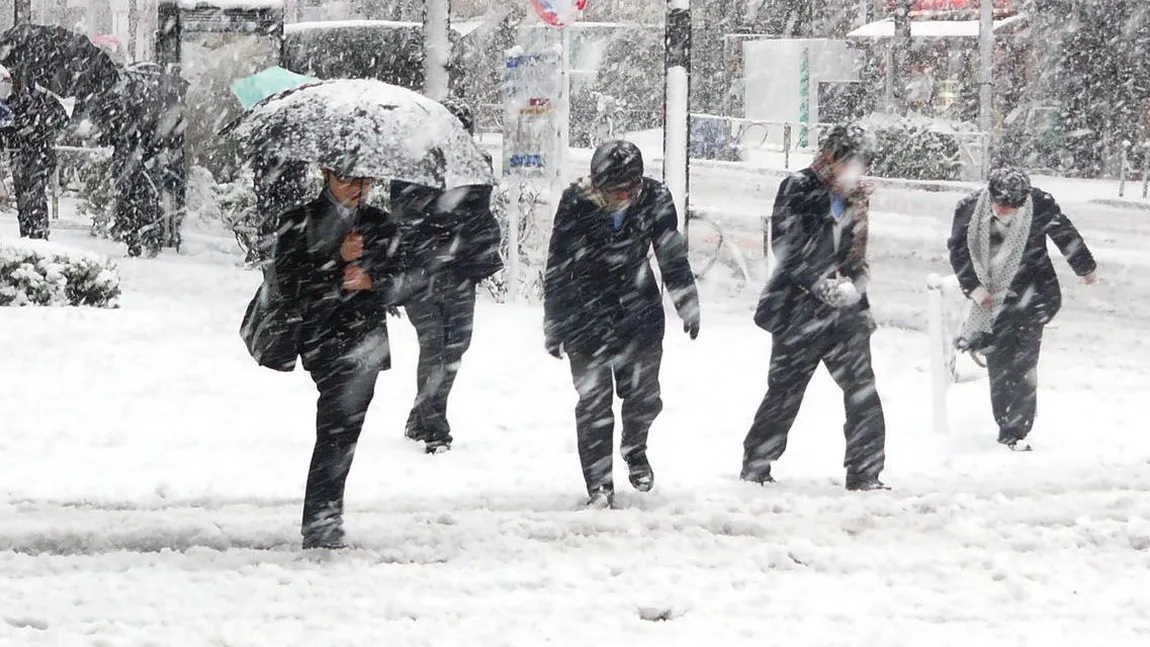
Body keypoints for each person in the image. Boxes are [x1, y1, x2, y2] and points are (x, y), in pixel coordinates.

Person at [543, 140, 700, 508]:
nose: (613, 197)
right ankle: (599, 484)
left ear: (637, 185)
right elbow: (558, 263)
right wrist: (554, 322)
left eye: (621, 190)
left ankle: (635, 446)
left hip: (638, 310)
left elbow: (670, 253)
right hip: (586, 312)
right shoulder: (576, 200)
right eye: (606, 189)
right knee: (594, 402)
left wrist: (687, 302)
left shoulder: (655, 198)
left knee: (644, 397)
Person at [271, 166, 418, 549]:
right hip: (323, 338)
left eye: (366, 180)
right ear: (326, 175)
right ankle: (321, 519)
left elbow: (404, 282)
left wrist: (373, 281)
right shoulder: (299, 221)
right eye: (348, 179)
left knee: (343, 432)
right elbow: (289, 283)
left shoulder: (379, 224)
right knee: (336, 427)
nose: (358, 189)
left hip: (365, 341)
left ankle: (325, 515)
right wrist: (336, 258)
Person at [742, 124, 888, 492]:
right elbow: (786, 245)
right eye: (853, 164)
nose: (858, 173)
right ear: (833, 157)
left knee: (863, 391)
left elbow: (855, 254)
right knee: (785, 391)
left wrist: (854, 286)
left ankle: (865, 471)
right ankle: (756, 465)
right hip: (798, 310)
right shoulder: (799, 187)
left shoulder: (857, 197)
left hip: (845, 315)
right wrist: (818, 282)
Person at [948, 167, 1097, 451]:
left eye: (1013, 206)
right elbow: (958, 250)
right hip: (991, 300)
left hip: (1033, 294)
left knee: (1024, 363)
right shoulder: (969, 209)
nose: (1007, 211)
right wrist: (975, 289)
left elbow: (1064, 234)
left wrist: (1085, 267)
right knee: (1000, 364)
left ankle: (1016, 430)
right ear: (990, 195)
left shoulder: (1038, 204)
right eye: (1001, 205)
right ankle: (1005, 423)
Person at [392, 99, 503, 454]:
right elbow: (404, 217)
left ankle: (420, 414)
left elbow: (479, 213)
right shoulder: (409, 163)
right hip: (420, 270)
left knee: (455, 347)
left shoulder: (478, 163)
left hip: (461, 270)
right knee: (434, 344)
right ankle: (436, 427)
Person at [2, 68, 67, 240]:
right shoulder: (12, 102)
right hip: (25, 155)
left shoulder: (36, 99)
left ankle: (37, 235)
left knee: (34, 197)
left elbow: (60, 118)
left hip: (38, 154)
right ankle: (29, 235)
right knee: (24, 199)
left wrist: (38, 127)